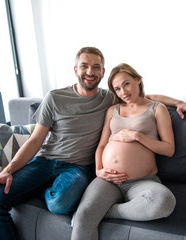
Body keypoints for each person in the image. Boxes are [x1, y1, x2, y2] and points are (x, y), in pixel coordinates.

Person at [0, 47, 186, 240]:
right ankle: (46, 190)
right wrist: (7, 171)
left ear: (102, 73)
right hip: (58, 164)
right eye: (84, 66)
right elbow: (36, 139)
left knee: (63, 205)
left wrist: (178, 102)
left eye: (96, 67)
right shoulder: (62, 98)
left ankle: (94, 206)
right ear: (76, 69)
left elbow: (143, 98)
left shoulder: (111, 99)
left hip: (94, 172)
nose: (90, 71)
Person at [71, 63, 178, 240]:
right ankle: (98, 211)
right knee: (83, 218)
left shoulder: (157, 109)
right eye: (117, 89)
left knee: (164, 202)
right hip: (108, 180)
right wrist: (99, 170)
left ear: (138, 80)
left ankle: (110, 211)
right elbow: (101, 146)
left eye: (126, 84)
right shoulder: (112, 110)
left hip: (142, 182)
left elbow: (169, 149)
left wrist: (137, 136)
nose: (123, 92)